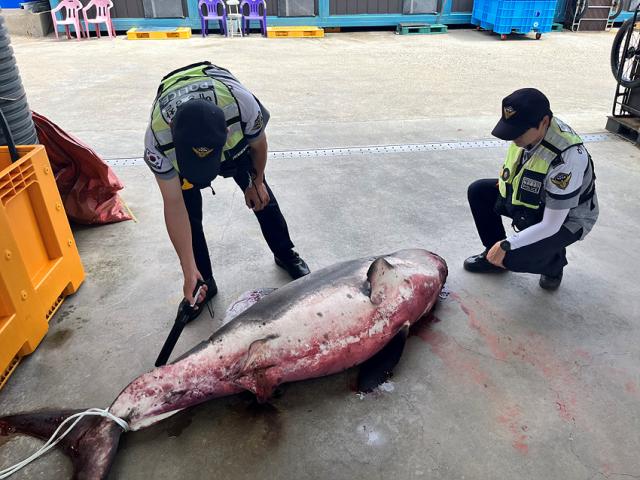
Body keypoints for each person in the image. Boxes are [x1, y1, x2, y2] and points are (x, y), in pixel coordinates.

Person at [143, 61, 310, 317]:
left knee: (262, 197)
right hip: (186, 136)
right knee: (188, 212)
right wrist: (187, 268)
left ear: (228, 133)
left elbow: (258, 146)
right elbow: (173, 205)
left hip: (230, 133)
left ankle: (285, 252)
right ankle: (202, 282)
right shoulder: (157, 140)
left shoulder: (241, 104)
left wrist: (257, 181)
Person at [464, 88, 598, 290]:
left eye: (518, 132)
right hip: (535, 199)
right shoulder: (528, 129)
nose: (512, 137)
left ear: (544, 122)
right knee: (479, 191)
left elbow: (551, 225)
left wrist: (507, 244)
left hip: (566, 217)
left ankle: (553, 264)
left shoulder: (568, 158)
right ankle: (493, 255)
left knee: (513, 257)